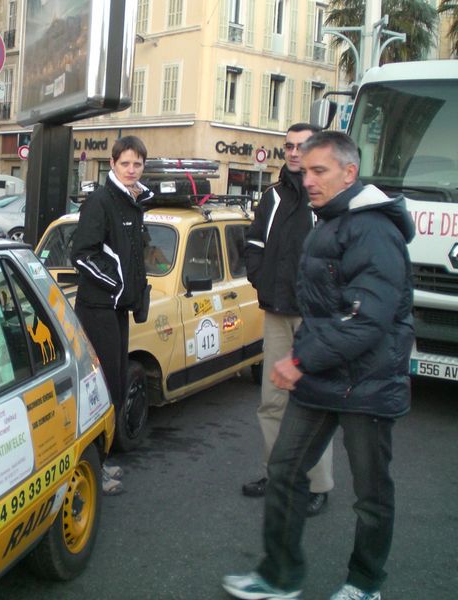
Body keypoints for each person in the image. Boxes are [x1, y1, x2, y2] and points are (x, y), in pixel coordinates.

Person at [223, 131, 414, 600]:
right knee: (285, 472)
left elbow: (366, 317)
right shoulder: (329, 220)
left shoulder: (371, 229)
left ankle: (364, 584)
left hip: (366, 382)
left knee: (371, 495)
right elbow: (324, 305)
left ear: (349, 173)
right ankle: (279, 576)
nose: (306, 179)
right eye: (304, 170)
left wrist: (300, 358)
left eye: (318, 171)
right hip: (324, 376)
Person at [243, 123, 334, 517]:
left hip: (313, 318)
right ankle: (274, 473)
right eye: (289, 147)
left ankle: (317, 485)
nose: (294, 153)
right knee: (271, 400)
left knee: (315, 401)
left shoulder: (327, 198)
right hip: (276, 312)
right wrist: (259, 278)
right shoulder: (273, 196)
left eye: (302, 146)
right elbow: (254, 243)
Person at [71, 135, 153, 495]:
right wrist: (120, 287)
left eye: (137, 164)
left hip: (117, 310)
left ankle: (100, 462)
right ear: (113, 164)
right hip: (98, 309)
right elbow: (83, 253)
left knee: (114, 388)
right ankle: (92, 470)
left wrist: (135, 295)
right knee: (99, 390)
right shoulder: (101, 202)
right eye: (125, 164)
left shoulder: (133, 204)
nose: (132, 170)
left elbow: (134, 255)